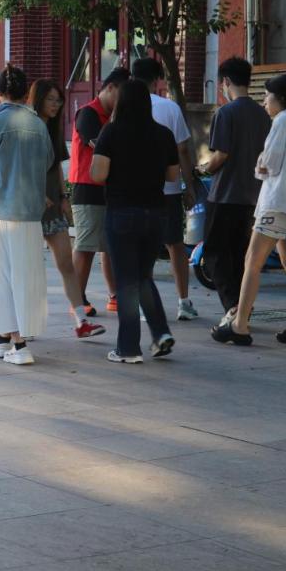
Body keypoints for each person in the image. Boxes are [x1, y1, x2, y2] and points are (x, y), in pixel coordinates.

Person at [211, 74, 286, 346]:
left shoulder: (281, 122)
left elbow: (270, 165)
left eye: (267, 96)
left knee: (252, 262)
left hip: (275, 203)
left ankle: (240, 325)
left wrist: (259, 163)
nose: (264, 102)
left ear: (280, 98)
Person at [90, 79, 179, 363]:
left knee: (127, 281)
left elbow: (98, 174)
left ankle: (128, 348)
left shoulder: (111, 131)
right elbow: (173, 175)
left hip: (122, 212)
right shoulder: (163, 134)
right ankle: (160, 333)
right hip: (156, 213)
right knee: (141, 276)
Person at [0, 63, 53, 365]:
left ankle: (17, 342)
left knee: (0, 275)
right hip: (29, 211)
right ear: (26, 93)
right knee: (25, 275)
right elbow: (48, 161)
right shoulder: (38, 125)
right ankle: (5, 338)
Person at [28, 79, 105, 339]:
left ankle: (81, 321)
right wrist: (38, 194)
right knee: (29, 267)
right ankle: (22, 324)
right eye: (50, 99)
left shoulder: (52, 128)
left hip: (52, 206)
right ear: (38, 99)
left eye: (58, 100)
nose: (56, 104)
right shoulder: (29, 127)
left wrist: (63, 196)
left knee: (66, 263)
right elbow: (23, 167)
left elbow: (57, 168)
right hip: (29, 207)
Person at [202, 57, 271, 325]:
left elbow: (221, 155)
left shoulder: (225, 113)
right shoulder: (263, 114)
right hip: (253, 196)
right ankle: (243, 308)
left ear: (226, 81)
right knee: (241, 255)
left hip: (224, 194)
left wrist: (204, 169)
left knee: (215, 254)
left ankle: (233, 306)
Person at [130, 58, 199, 321]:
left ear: (132, 77)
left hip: (135, 190)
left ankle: (143, 303)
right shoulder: (170, 108)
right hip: (168, 189)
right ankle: (184, 302)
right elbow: (183, 150)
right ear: (157, 79)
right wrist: (188, 185)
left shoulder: (124, 107)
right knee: (175, 244)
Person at [69, 68, 128, 314]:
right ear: (110, 88)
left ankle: (114, 296)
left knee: (109, 247)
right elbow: (100, 146)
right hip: (87, 188)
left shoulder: (112, 118)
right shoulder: (88, 113)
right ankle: (77, 301)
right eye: (121, 95)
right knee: (86, 246)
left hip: (107, 188)